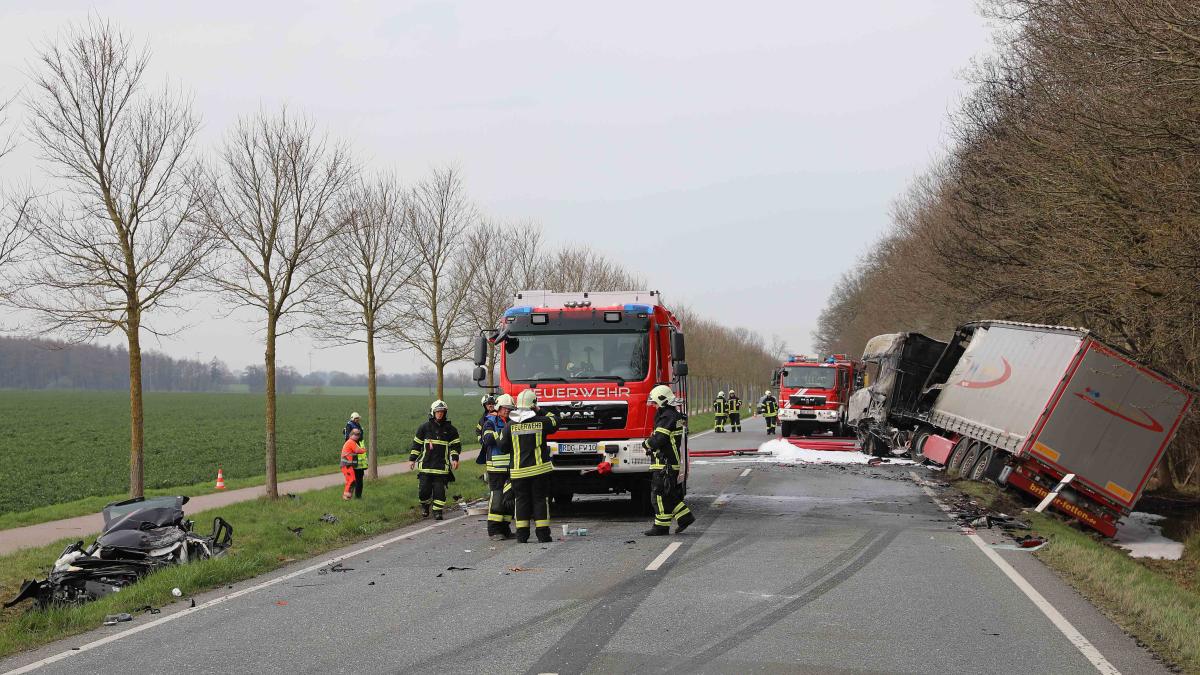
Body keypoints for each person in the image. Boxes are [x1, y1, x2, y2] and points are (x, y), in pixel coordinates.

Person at [498, 389, 558, 543]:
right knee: (540, 501)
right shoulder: (542, 422)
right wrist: (540, 410)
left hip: (518, 473)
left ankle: (522, 536)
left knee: (521, 501)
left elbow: (502, 446)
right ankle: (543, 535)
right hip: (539, 471)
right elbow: (556, 420)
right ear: (533, 405)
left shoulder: (509, 426)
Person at [643, 385, 695, 536]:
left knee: (658, 494)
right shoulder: (671, 415)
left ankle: (664, 525)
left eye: (654, 403)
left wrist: (646, 444)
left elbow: (659, 439)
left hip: (665, 462)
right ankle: (676, 520)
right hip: (668, 461)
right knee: (666, 493)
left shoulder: (667, 417)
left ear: (662, 400)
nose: (653, 406)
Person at [409, 400, 462, 520]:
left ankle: (437, 511)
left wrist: (455, 459)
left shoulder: (451, 430)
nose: (440, 414)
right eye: (437, 412)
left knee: (439, 492)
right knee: (423, 491)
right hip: (425, 466)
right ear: (433, 412)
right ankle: (425, 506)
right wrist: (412, 460)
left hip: (441, 467)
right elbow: (416, 445)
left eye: (442, 412)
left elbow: (455, 446)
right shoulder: (424, 428)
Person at [482, 394, 515, 539]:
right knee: (497, 499)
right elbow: (487, 439)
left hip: (512, 467)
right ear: (498, 408)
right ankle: (494, 530)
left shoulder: (513, 422)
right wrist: (505, 434)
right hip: (495, 469)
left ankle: (505, 529)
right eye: (505, 408)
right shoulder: (490, 422)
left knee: (509, 500)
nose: (507, 411)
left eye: (509, 408)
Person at [340, 428, 362, 500]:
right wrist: (364, 450)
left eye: (359, 434)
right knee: (351, 480)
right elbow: (358, 450)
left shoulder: (352, 442)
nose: (358, 436)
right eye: (357, 435)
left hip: (348, 465)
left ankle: (348, 497)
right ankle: (346, 497)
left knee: (352, 480)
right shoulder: (351, 442)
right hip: (347, 465)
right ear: (352, 435)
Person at [475, 395, 497, 467]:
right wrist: (482, 442)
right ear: (484, 405)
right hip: (487, 446)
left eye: (492, 403)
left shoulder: (498, 415)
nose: (490, 405)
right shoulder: (483, 419)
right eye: (488, 404)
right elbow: (478, 431)